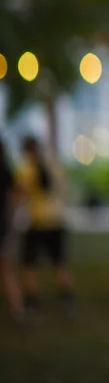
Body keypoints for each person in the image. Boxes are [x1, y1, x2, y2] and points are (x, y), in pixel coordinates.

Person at [16, 135, 75, 317]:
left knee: (30, 264)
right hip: (56, 219)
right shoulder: (54, 165)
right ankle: (66, 298)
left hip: (37, 221)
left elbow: (20, 195)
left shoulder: (27, 170)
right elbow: (64, 188)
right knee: (60, 262)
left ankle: (33, 300)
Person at [0, 136, 25, 324]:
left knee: (6, 270)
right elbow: (17, 192)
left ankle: (17, 309)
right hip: (4, 226)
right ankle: (17, 309)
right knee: (6, 270)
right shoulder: (6, 169)